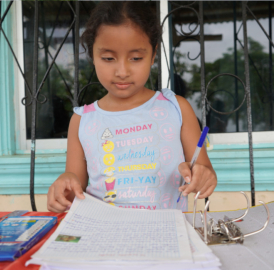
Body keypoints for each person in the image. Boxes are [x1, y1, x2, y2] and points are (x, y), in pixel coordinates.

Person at [47, 2, 217, 212]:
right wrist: (64, 185)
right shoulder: (83, 120)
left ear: (153, 55)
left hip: (166, 234)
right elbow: (75, 187)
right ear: (92, 55)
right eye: (108, 58)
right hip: (105, 232)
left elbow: (205, 170)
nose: (122, 71)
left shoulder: (176, 109)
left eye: (136, 58)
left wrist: (203, 176)